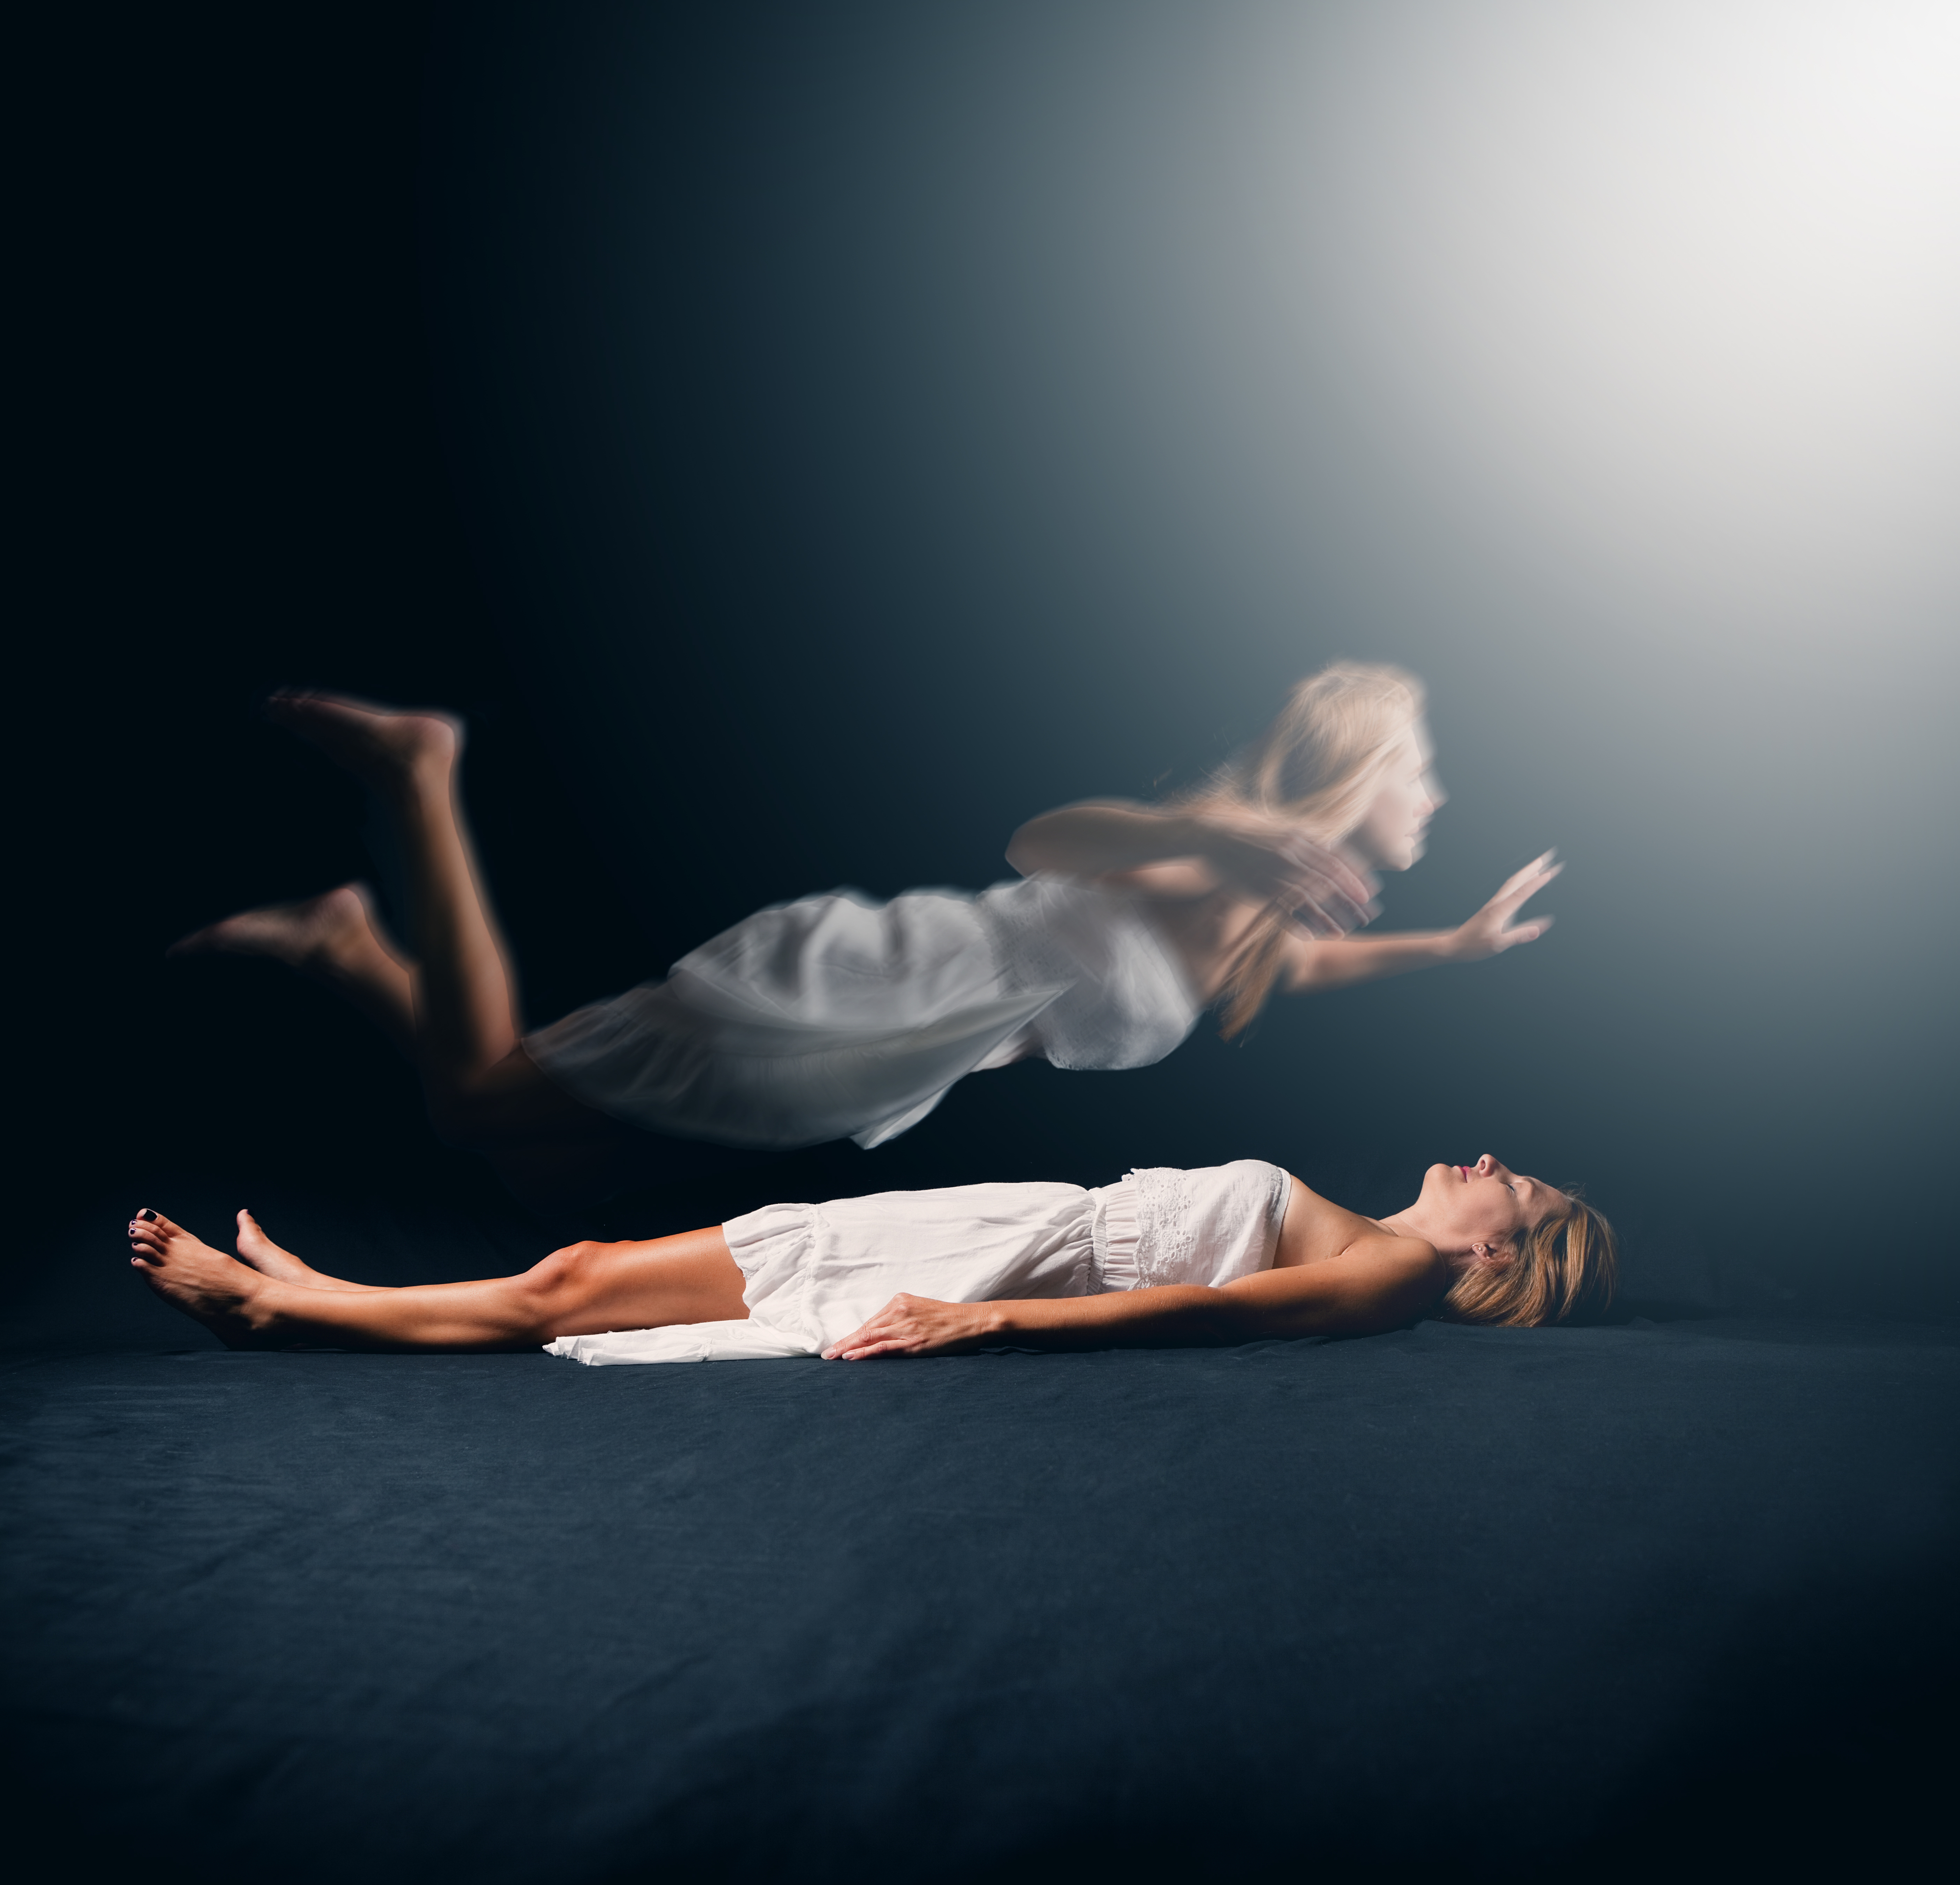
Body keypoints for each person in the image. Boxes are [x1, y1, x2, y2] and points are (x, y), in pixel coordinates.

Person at [170, 665, 1559, 1204]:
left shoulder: (1260, 914)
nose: (1436, 796)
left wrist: (1453, 950)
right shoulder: (1231, 849)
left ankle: (355, 944)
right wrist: (1211, 839)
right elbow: (1044, 844)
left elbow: (1291, 967)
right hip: (847, 1005)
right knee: (486, 1101)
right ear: (1356, 769)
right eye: (1420, 769)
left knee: (548, 1129)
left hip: (872, 1061)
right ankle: (420, 781)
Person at [125, 1154, 1616, 1361]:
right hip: (1015, 1218)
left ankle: (278, 1300)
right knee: (580, 1271)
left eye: (1515, 1185)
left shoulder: (1397, 1275)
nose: (1486, 1162)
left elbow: (1218, 1310)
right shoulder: (1374, 1232)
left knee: (575, 1285)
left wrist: (999, 1331)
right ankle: (305, 1292)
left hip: (1020, 1263)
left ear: (1511, 1254)